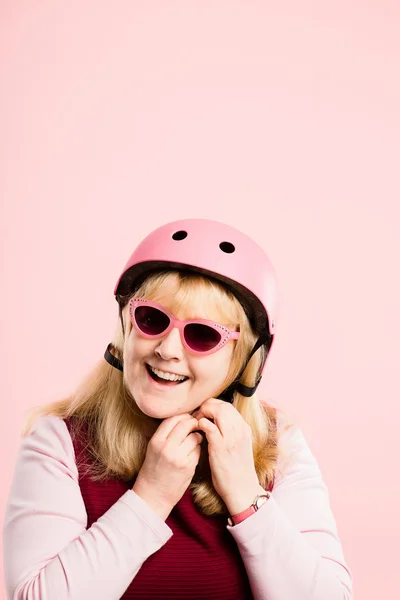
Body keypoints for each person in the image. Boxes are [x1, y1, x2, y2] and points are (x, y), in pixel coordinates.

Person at [3, 218, 353, 600]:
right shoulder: (59, 441)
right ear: (125, 326)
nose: (168, 350)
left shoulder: (279, 443)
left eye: (202, 334)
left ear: (245, 360)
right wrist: (149, 497)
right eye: (151, 319)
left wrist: (245, 493)